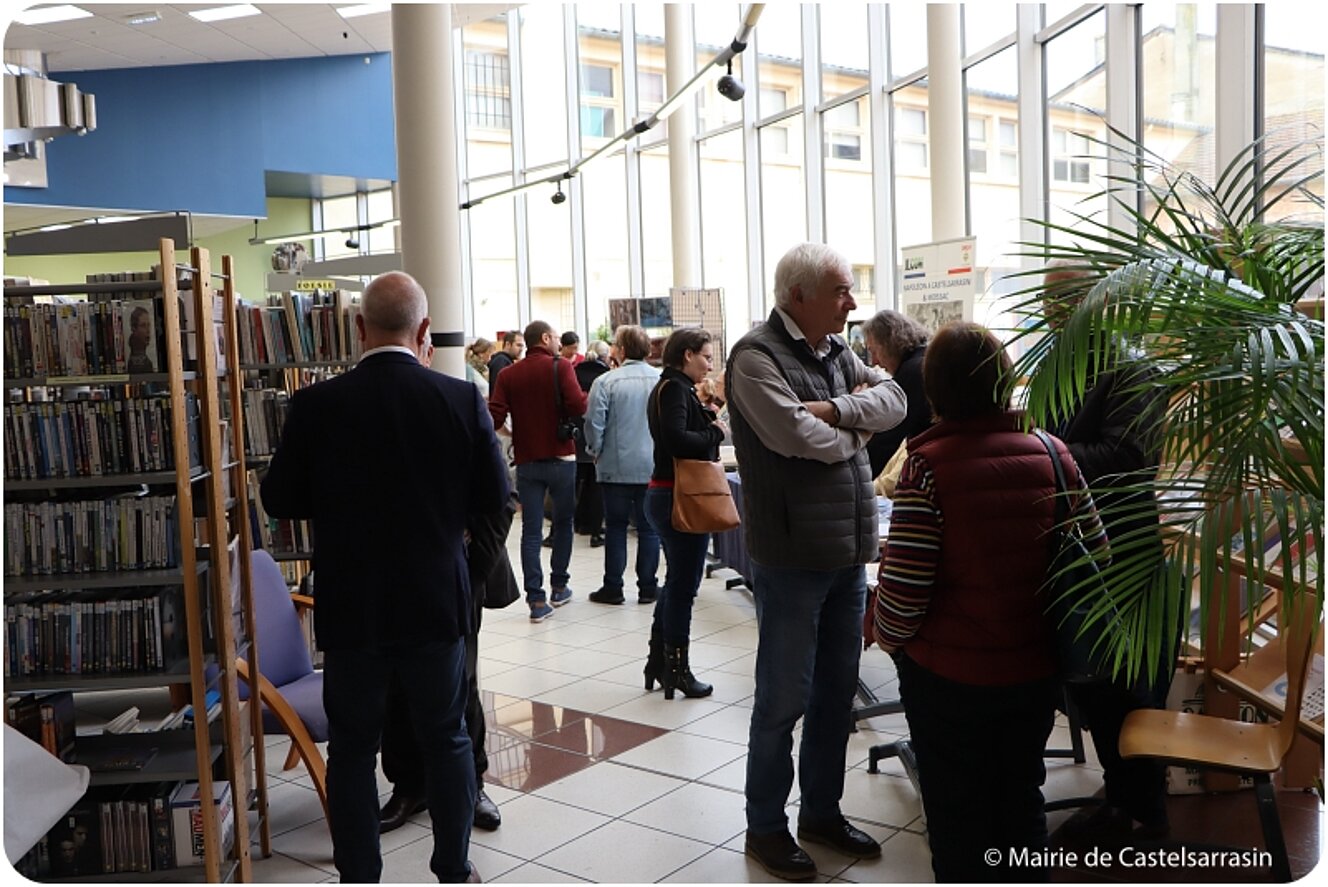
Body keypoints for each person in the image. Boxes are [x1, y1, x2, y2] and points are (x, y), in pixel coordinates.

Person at [261, 270, 507, 883]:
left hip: (353, 607)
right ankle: (453, 867)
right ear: (425, 330)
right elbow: (495, 495)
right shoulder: (459, 399)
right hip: (434, 605)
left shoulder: (316, 405)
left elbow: (279, 498)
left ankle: (360, 876)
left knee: (351, 751)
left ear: (359, 327)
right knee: (447, 738)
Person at [871, 321, 1109, 883]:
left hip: (947, 679)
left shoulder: (927, 468)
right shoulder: (1053, 454)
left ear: (934, 391)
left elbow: (903, 601)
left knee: (958, 818)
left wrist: (882, 632)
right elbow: (1096, 557)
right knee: (1021, 799)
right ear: (1005, 379)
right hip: (1033, 668)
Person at [727, 242, 907, 881]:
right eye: (841, 291)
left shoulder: (837, 352)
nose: (853, 303)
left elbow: (897, 402)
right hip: (793, 556)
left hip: (847, 554)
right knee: (782, 701)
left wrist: (838, 412)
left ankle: (822, 814)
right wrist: (855, 429)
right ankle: (766, 828)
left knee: (836, 697)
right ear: (798, 295)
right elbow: (799, 439)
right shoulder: (754, 357)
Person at [1042, 260, 1174, 841]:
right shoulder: (1062, 367)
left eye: (1057, 307)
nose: (1048, 318)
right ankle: (1120, 799)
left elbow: (1126, 457)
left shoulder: (1130, 366)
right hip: (1078, 548)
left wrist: (1045, 455)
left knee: (1126, 685)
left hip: (1122, 552)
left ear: (1093, 303)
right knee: (1095, 685)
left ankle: (1142, 811)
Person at [378, 339, 519, 838]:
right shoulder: (369, 410)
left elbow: (501, 501)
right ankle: (408, 785)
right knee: (397, 685)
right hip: (392, 575)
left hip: (458, 572)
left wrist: (473, 571)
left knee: (463, 683)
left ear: (425, 344)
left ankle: (471, 783)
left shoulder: (460, 403)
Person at [642, 327, 726, 698]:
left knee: (677, 580)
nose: (710, 364)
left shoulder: (669, 387)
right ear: (687, 354)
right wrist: (715, 433)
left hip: (666, 493)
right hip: (680, 496)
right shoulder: (675, 389)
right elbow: (676, 440)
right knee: (683, 586)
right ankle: (677, 668)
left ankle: (659, 662)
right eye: (706, 356)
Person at [488, 320, 587, 622]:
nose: (560, 342)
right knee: (563, 521)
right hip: (562, 458)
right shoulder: (561, 367)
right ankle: (560, 587)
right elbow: (578, 407)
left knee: (530, 531)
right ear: (545, 338)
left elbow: (493, 415)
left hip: (528, 461)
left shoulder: (508, 374)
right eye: (557, 337)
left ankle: (536, 601)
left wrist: (508, 432)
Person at [585, 325, 661, 606]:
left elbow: (594, 423)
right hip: (653, 466)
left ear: (623, 350)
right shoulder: (661, 379)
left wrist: (595, 450)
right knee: (649, 529)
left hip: (615, 466)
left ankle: (613, 587)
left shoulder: (606, 382)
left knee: (616, 527)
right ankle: (648, 587)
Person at [860, 309, 931, 477]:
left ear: (890, 343)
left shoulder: (912, 371)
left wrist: (855, 476)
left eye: (874, 351)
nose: (874, 362)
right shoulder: (926, 359)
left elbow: (887, 439)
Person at [573, 341, 611, 546]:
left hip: (576, 436)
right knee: (595, 486)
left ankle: (579, 523)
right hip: (596, 435)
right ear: (604, 357)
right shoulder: (605, 377)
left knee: (578, 482)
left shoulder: (574, 373)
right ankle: (596, 531)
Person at [126, 305, 156, 373]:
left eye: (148, 325)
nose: (148, 330)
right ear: (134, 329)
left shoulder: (145, 356)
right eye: (143, 325)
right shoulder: (135, 360)